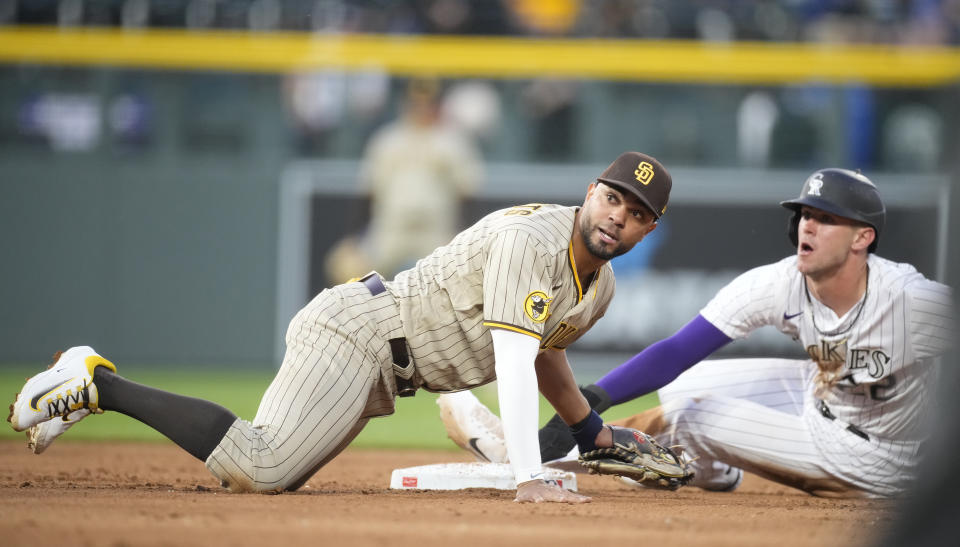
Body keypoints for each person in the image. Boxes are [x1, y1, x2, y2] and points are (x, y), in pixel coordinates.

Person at [8, 151, 672, 504]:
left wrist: (591, 431)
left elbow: (546, 355)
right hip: (361, 335)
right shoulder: (535, 239)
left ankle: (89, 381)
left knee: (258, 463)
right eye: (613, 197)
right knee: (263, 470)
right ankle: (96, 382)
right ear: (590, 191)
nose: (618, 215)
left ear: (648, 228)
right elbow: (514, 358)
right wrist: (530, 476)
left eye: (636, 212)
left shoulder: (601, 286)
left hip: (383, 363)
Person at [441, 167, 953, 498]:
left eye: (825, 219)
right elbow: (678, 351)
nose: (807, 227)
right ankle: (709, 470)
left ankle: (528, 455)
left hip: (883, 457)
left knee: (690, 416)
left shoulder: (911, 303)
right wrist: (588, 403)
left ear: (864, 237)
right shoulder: (782, 282)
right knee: (684, 385)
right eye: (804, 215)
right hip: (828, 395)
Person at [325, 78, 484, 283]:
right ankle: (381, 303)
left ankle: (430, 313)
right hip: (391, 228)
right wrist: (354, 237)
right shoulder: (387, 139)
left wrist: (463, 237)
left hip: (436, 230)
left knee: (466, 275)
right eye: (416, 103)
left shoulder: (453, 141)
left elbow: (468, 195)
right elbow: (368, 193)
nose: (422, 109)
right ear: (405, 105)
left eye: (428, 103)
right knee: (347, 266)